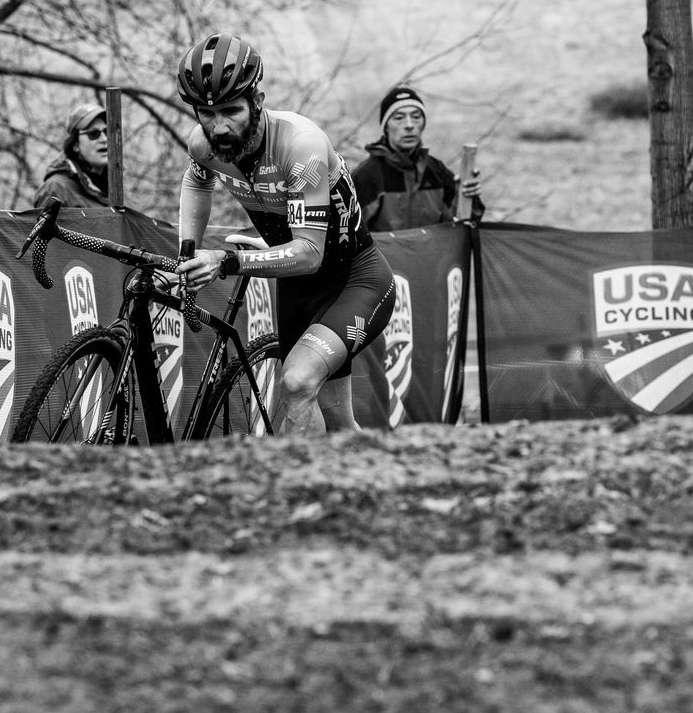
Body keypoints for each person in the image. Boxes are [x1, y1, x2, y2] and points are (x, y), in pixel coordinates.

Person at [172, 33, 396, 435]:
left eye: (231, 111)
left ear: (257, 102)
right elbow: (197, 182)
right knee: (338, 424)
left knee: (297, 381)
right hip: (297, 287)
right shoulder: (203, 145)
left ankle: (299, 491)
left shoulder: (299, 145)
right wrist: (188, 249)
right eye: (206, 114)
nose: (218, 127)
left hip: (354, 279)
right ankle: (372, 485)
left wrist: (225, 261)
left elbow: (310, 252)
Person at [351, 86, 483, 231]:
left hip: (432, 254)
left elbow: (463, 226)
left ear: (423, 124)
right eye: (399, 118)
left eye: (416, 117)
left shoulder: (436, 171)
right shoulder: (366, 176)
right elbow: (346, 236)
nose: (409, 125)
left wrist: (468, 197)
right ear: (386, 127)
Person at [32, 103, 111, 208]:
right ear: (75, 144)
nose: (104, 139)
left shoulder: (118, 188)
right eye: (93, 134)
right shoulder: (56, 190)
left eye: (107, 132)